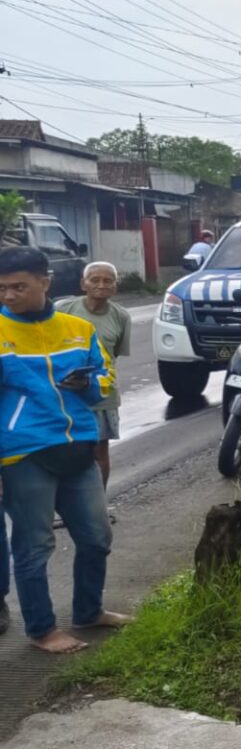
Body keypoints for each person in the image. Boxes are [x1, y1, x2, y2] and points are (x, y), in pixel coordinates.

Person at [0, 247, 130, 654]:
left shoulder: (79, 329)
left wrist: (87, 385)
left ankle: (89, 611)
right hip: (24, 454)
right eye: (1, 288)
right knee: (34, 546)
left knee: (96, 537)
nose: (8, 296)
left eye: (18, 286)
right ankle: (42, 630)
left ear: (45, 282)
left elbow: (106, 379)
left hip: (78, 449)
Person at [57, 261, 133, 488]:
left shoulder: (121, 316)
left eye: (108, 281)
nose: (101, 285)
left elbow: (114, 354)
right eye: (95, 280)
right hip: (65, 394)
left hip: (103, 394)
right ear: (83, 284)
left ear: (115, 287)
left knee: (100, 452)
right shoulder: (63, 309)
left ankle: (98, 505)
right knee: (63, 451)